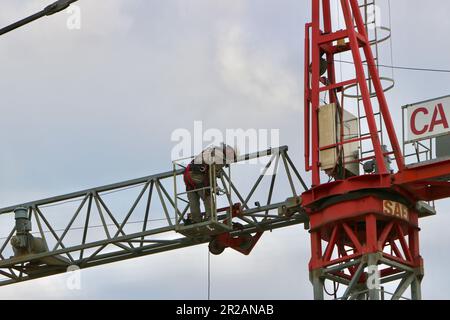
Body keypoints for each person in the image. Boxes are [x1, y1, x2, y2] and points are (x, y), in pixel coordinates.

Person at [183, 144, 237, 224]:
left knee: (193, 200)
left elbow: (209, 166)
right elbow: (212, 172)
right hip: (198, 176)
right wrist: (215, 186)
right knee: (207, 196)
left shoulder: (211, 150)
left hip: (187, 175)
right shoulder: (220, 157)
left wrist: (217, 173)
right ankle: (211, 218)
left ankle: (196, 220)